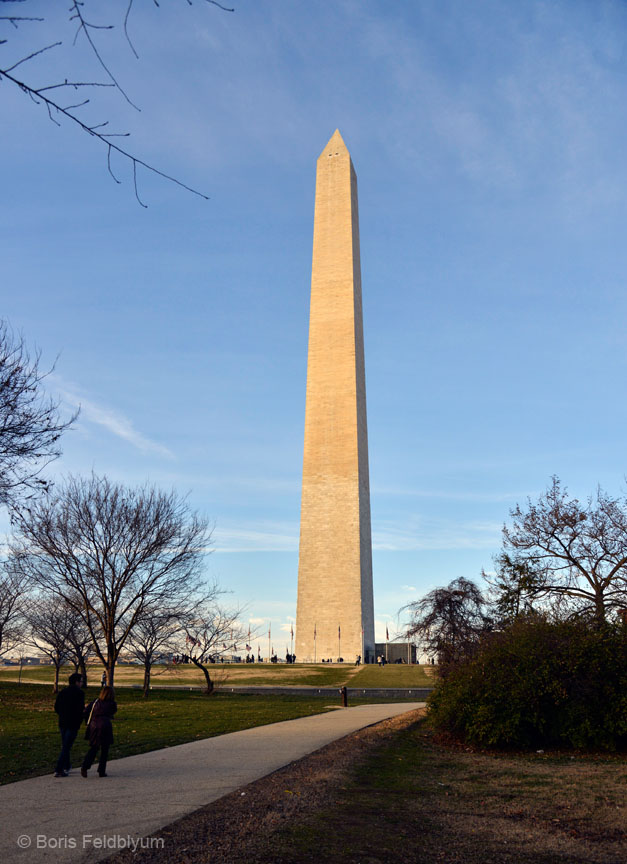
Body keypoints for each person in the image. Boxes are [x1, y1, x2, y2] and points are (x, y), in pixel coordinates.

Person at [81, 686, 117, 778]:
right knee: (105, 749)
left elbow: (86, 711)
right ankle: (101, 770)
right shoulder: (112, 704)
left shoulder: (95, 702)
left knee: (94, 747)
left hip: (94, 725)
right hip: (105, 725)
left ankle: (85, 766)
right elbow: (113, 712)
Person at [53, 672, 85, 777]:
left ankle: (67, 765)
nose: (82, 683)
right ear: (76, 682)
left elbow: (56, 707)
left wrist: (62, 714)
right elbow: (80, 710)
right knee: (67, 746)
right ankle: (59, 768)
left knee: (65, 745)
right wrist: (80, 720)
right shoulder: (80, 693)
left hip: (62, 722)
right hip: (73, 723)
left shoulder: (63, 692)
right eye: (81, 681)